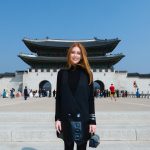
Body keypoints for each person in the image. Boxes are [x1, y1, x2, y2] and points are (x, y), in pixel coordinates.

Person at [55, 43, 96, 150]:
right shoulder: (61, 73)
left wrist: (93, 121)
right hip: (66, 118)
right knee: (68, 146)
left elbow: (90, 99)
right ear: (69, 55)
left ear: (82, 56)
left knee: (82, 147)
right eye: (73, 52)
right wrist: (57, 119)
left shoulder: (88, 74)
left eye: (78, 53)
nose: (75, 55)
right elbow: (58, 97)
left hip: (83, 118)